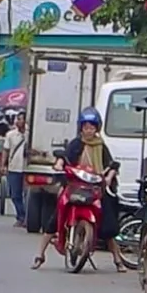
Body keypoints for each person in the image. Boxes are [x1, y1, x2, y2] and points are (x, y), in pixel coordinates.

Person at [34, 109, 110, 268]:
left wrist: (108, 176)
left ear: (97, 128)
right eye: (86, 127)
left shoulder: (101, 146)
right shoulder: (76, 144)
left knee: (108, 222)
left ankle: (117, 259)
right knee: (55, 219)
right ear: (81, 128)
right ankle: (40, 255)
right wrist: (59, 164)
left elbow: (111, 164)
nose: (89, 130)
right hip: (73, 186)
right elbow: (64, 157)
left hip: (94, 189)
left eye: (92, 127)